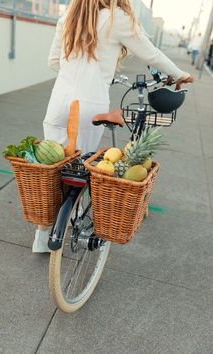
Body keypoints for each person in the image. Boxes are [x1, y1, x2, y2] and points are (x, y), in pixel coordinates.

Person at [32, 0, 194, 253]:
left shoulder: (69, 16)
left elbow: (54, 61)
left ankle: (42, 239)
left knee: (53, 167)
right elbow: (151, 53)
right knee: (80, 169)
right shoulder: (116, 18)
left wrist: (75, 70)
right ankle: (72, 224)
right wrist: (180, 74)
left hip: (59, 102)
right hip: (90, 105)